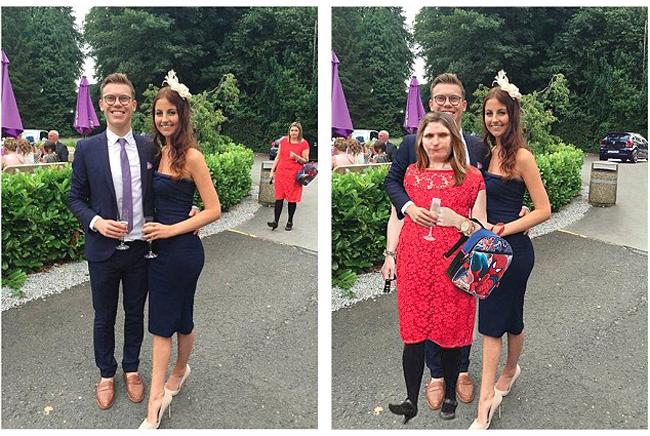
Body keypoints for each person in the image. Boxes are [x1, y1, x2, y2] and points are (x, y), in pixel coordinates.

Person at [68, 72, 198, 412]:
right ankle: (106, 374)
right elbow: (75, 198)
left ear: (134, 104)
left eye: (124, 98)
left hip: (142, 249)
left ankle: (131, 369)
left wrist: (188, 210)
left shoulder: (149, 147)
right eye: (111, 98)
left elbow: (168, 185)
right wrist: (97, 222)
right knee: (103, 315)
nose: (117, 104)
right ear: (101, 104)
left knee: (135, 313)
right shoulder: (86, 149)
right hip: (103, 250)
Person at [384, 73, 489, 409]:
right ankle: (437, 376)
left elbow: (489, 195)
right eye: (440, 98)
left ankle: (461, 373)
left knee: (456, 319)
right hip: (419, 254)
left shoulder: (478, 147)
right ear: (430, 104)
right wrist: (406, 214)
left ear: (464, 104)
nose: (447, 104)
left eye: (453, 98)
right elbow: (394, 188)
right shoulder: (411, 151)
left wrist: (514, 209)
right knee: (423, 320)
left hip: (460, 256)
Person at [139, 71, 221, 429]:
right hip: (158, 251)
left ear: (182, 114)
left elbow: (214, 209)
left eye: (170, 112)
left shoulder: (192, 157)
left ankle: (155, 401)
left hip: (182, 251)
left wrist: (171, 228)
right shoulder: (157, 152)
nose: (164, 119)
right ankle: (181, 369)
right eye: (159, 113)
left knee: (162, 325)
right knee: (180, 318)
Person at [469, 71, 551, 429]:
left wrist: (505, 227)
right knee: (509, 319)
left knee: (492, 326)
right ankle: (511, 369)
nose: (494, 119)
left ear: (512, 114)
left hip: (513, 251)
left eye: (501, 112)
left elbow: (543, 210)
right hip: (488, 249)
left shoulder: (522, 157)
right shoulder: (486, 153)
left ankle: (485, 404)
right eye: (489, 113)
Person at [267, 121, 309, 231]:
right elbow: (278, 157)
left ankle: (290, 221)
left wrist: (296, 157)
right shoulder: (284, 141)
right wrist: (272, 171)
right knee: (279, 197)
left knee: (292, 199)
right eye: (292, 130)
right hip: (281, 173)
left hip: (294, 175)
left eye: (296, 130)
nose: (294, 132)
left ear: (299, 132)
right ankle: (275, 221)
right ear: (289, 131)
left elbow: (306, 160)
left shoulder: (304, 143)